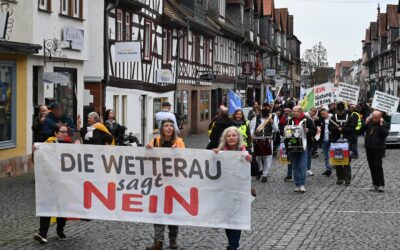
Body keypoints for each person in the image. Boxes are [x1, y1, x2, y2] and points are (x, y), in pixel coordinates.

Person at [33, 124, 78, 244]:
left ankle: (60, 230)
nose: (65, 134)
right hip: (49, 181)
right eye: (62, 132)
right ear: (55, 133)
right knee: (46, 207)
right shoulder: (48, 144)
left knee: (61, 207)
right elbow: (38, 157)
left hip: (64, 181)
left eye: (66, 132)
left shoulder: (70, 145)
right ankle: (42, 234)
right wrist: (35, 150)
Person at [145, 119, 185, 250]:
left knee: (172, 212)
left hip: (174, 183)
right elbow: (146, 158)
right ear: (161, 128)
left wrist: (178, 151)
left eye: (171, 126)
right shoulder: (155, 141)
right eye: (166, 126)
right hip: (158, 182)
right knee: (158, 212)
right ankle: (158, 241)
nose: (169, 128)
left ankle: (173, 239)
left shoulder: (179, 142)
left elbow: (185, 158)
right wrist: (148, 149)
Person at [212, 126, 252, 250]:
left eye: (234, 135)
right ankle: (231, 242)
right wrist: (214, 155)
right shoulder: (219, 151)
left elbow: (255, 171)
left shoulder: (244, 151)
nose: (231, 137)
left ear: (238, 137)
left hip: (239, 191)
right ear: (225, 138)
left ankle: (233, 246)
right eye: (229, 136)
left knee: (236, 218)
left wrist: (250, 160)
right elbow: (210, 169)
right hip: (223, 191)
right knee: (228, 219)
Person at [284, 106, 316, 193]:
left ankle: (302, 184)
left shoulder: (307, 120)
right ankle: (297, 184)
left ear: (300, 112)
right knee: (295, 166)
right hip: (293, 146)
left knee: (302, 165)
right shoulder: (290, 120)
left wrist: (308, 130)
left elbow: (314, 131)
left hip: (304, 146)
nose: (293, 112)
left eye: (295, 111)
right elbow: (283, 130)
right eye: (293, 111)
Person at [328, 102, 357, 186]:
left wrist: (343, 128)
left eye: (341, 110)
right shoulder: (333, 118)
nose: (340, 112)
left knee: (346, 161)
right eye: (339, 110)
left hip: (346, 141)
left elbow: (352, 128)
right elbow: (330, 127)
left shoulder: (349, 117)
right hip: (336, 141)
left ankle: (347, 179)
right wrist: (337, 129)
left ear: (344, 109)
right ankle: (340, 178)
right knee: (337, 160)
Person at [250, 103, 278, 182]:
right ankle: (260, 169)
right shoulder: (257, 117)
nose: (266, 108)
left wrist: (272, 123)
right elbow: (253, 128)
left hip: (268, 139)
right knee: (258, 157)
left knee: (267, 158)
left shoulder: (272, 117)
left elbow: (276, 129)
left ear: (269, 108)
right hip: (257, 139)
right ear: (262, 108)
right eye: (264, 106)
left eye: (267, 106)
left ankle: (265, 174)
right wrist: (251, 137)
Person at [364, 111, 388, 192]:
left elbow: (385, 134)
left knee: (378, 166)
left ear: (380, 117)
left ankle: (381, 184)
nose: (374, 119)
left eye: (376, 118)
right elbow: (359, 131)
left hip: (378, 148)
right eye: (373, 117)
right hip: (369, 148)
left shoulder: (383, 123)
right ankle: (375, 184)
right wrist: (365, 123)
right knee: (372, 166)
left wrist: (381, 125)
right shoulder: (369, 122)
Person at [316, 108, 333, 176]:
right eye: (321, 114)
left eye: (323, 114)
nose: (322, 115)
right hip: (324, 139)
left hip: (331, 139)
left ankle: (332, 167)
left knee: (330, 155)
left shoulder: (333, 118)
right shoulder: (321, 119)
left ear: (327, 112)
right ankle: (328, 169)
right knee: (326, 156)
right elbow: (317, 124)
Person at [279, 108, 293, 181]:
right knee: (289, 158)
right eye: (285, 112)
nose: (287, 113)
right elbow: (280, 129)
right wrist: (283, 132)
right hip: (287, 141)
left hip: (294, 141)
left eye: (288, 112)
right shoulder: (282, 120)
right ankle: (289, 174)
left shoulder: (292, 119)